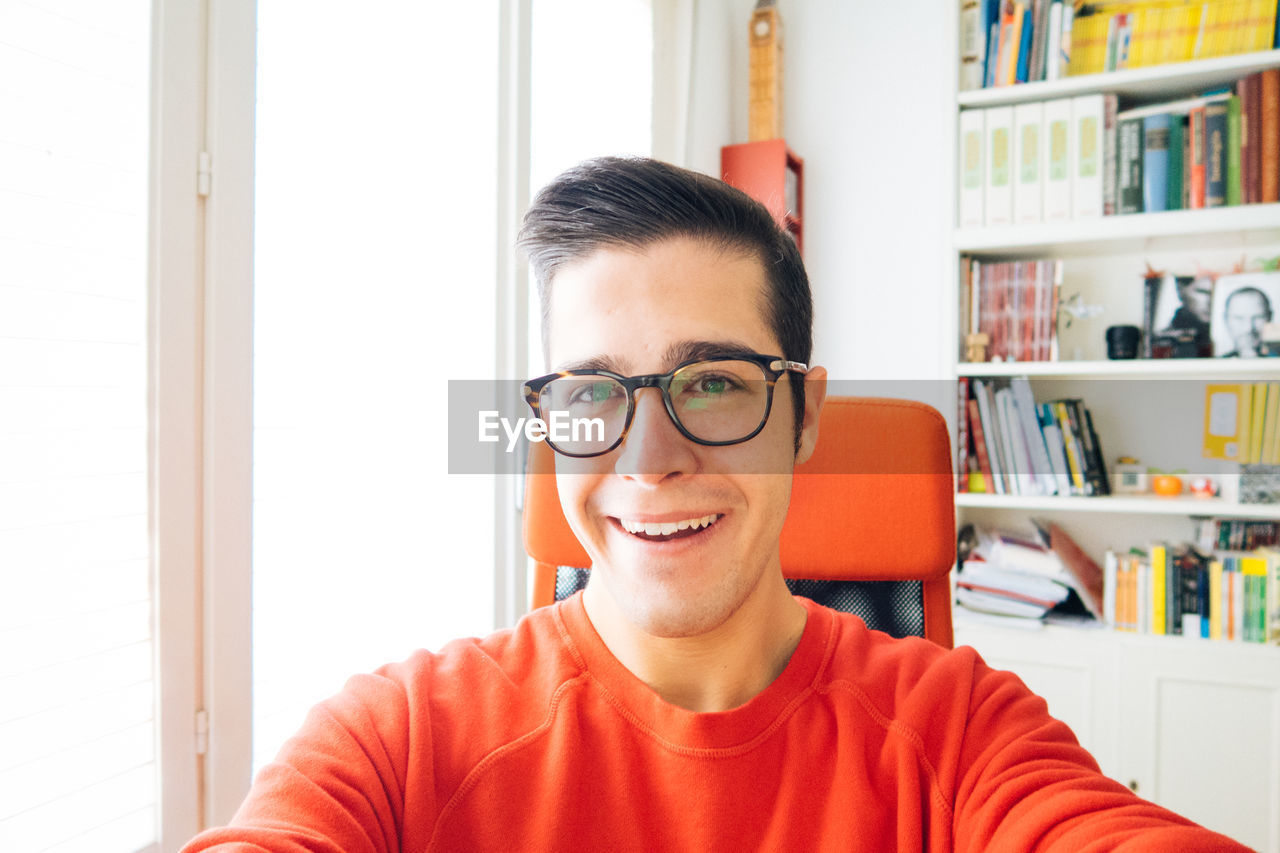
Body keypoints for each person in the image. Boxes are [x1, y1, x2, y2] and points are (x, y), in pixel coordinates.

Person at [183, 157, 1250, 851]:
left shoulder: (958, 733)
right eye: (593, 391)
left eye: (712, 383)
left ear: (803, 414)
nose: (649, 459)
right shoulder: (401, 736)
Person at [1220, 286, 1273, 358]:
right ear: (1225, 319)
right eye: (1239, 319)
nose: (1248, 328)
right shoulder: (1212, 366)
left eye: (1257, 317)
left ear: (1269, 317)